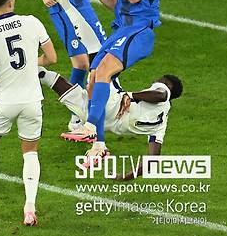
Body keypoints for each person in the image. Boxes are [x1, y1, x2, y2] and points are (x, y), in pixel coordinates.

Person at [61, 0, 161, 162]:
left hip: (139, 31)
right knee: (93, 78)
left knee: (104, 71)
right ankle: (100, 146)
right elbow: (114, 2)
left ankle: (90, 127)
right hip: (121, 31)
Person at [0, 0, 57, 226]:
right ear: (12, 1)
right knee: (30, 153)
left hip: (4, 102)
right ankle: (29, 209)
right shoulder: (32, 22)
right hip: (32, 101)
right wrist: (32, 62)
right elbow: (52, 58)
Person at [38, 67, 182, 180]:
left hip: (110, 104)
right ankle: (40, 73)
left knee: (102, 66)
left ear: (167, 85)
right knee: (54, 82)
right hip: (100, 120)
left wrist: (130, 95)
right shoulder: (160, 128)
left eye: (160, 80)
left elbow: (161, 95)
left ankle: (97, 143)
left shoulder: (163, 91)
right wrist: (126, 176)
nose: (156, 81)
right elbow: (152, 160)